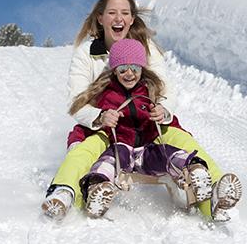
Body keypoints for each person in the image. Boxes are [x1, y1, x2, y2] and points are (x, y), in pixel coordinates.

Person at [41, 0, 242, 222]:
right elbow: (76, 101)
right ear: (100, 18)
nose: (119, 18)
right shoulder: (88, 53)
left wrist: (163, 109)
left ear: (132, 18)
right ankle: (65, 194)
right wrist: (99, 116)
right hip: (106, 126)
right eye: (112, 13)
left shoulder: (145, 47)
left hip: (148, 124)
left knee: (185, 142)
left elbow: (165, 87)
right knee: (82, 151)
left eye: (125, 13)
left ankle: (213, 196)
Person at [73, 39, 214, 218]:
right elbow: (86, 118)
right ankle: (98, 189)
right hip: (120, 147)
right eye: (123, 69)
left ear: (142, 69)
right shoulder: (105, 94)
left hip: (148, 148)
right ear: (114, 70)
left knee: (169, 154)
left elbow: (167, 109)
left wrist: (162, 112)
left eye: (135, 68)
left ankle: (196, 173)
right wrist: (103, 116)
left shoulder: (150, 90)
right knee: (107, 162)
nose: (129, 74)